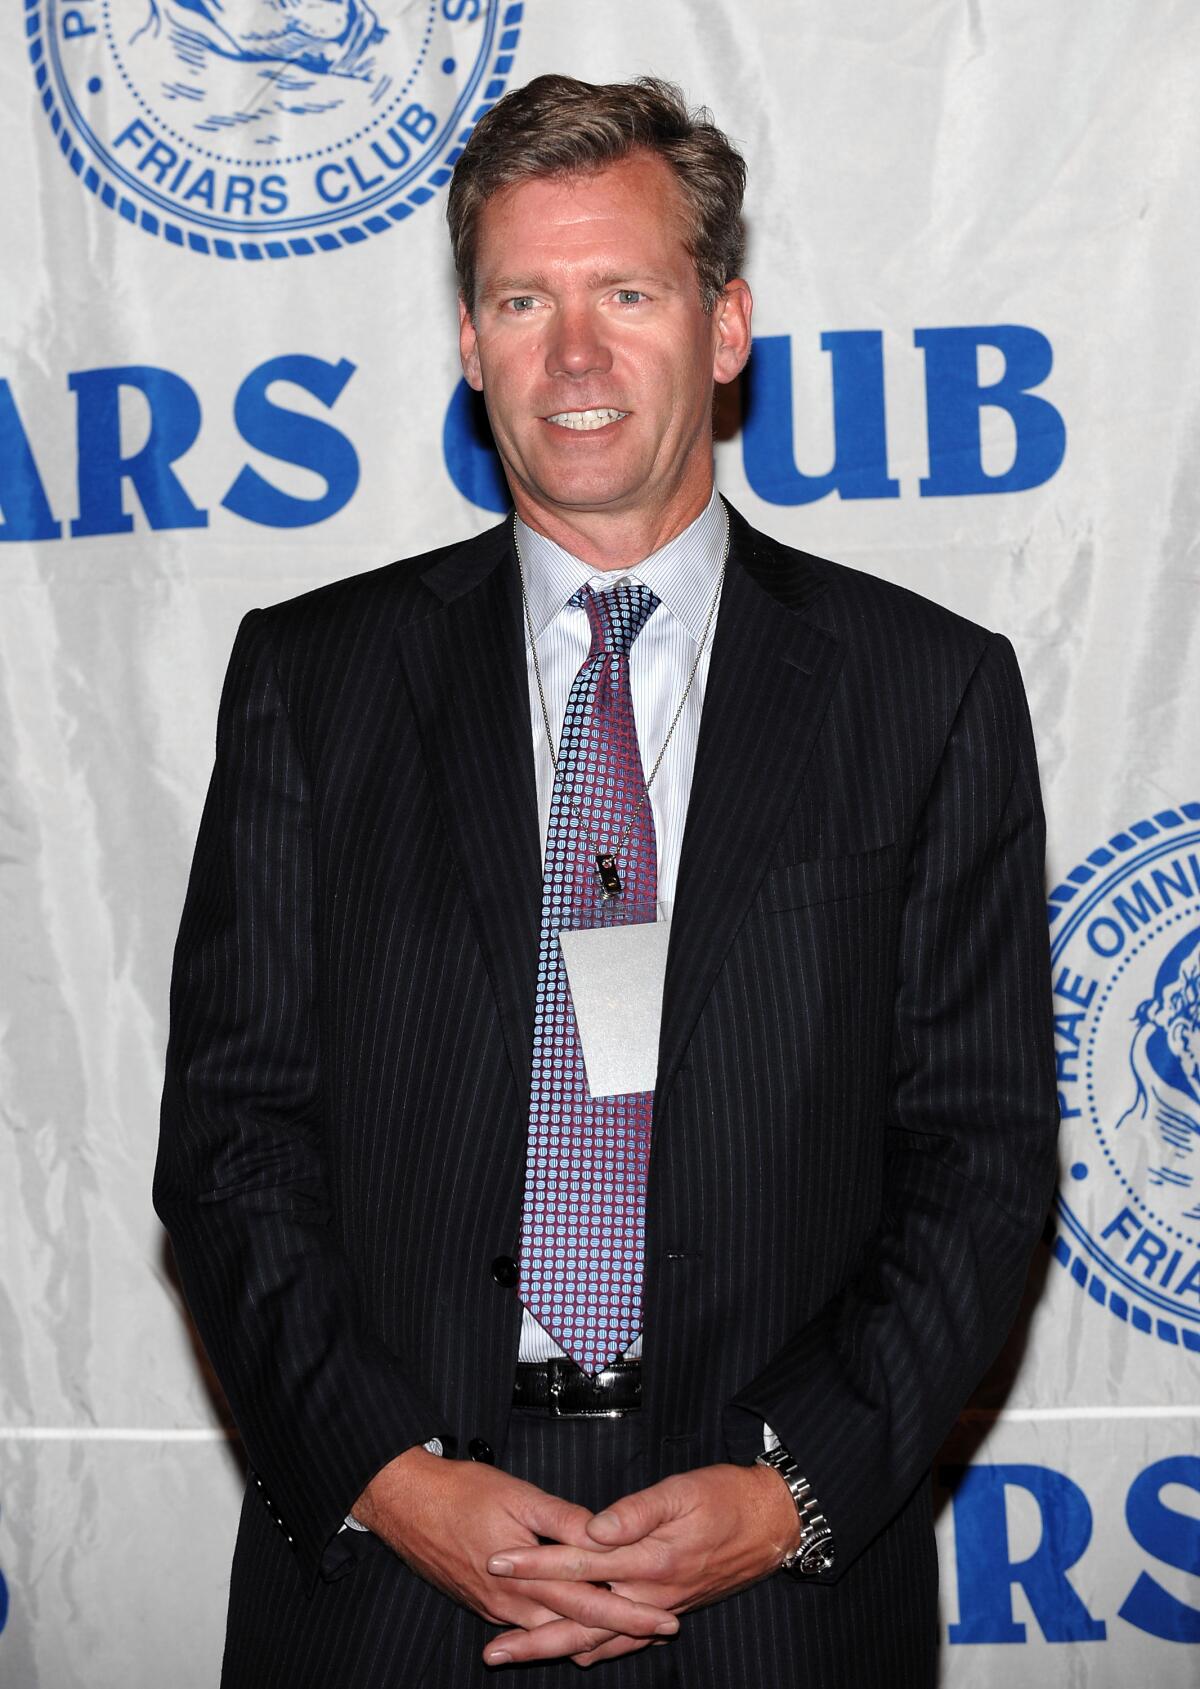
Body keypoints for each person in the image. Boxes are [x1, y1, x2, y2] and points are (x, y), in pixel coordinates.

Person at [155, 73, 1058, 1689]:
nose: (573, 357)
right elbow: (230, 1145)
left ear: (725, 330)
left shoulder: (928, 694)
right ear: (469, 343)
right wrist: (390, 1476)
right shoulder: (311, 679)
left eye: (626, 293)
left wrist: (787, 1494)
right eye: (525, 299)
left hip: (775, 1612)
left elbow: (978, 1165)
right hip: (388, 1604)